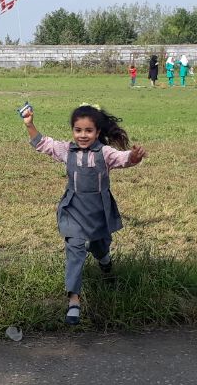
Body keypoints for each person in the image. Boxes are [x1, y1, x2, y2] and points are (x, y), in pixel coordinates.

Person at [24, 103, 146, 325]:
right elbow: (42, 143)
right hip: (74, 209)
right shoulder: (66, 150)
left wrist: (135, 157)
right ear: (72, 131)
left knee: (100, 245)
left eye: (88, 131)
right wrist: (30, 124)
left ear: (98, 132)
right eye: (78, 130)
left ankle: (105, 261)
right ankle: (73, 300)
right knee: (75, 248)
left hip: (98, 209)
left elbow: (124, 159)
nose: (82, 135)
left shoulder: (105, 153)